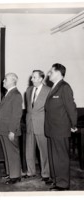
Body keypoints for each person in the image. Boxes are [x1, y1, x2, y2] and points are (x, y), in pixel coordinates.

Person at [45, 63, 77, 191]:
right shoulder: (54, 87)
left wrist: (73, 124)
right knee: (54, 156)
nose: (48, 74)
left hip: (60, 128)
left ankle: (63, 184)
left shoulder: (64, 87)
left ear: (58, 73)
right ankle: (56, 180)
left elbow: (71, 108)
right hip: (52, 128)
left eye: (51, 72)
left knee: (61, 157)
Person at [0, 73, 22, 184]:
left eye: (5, 79)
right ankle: (10, 173)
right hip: (3, 129)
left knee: (12, 153)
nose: (3, 81)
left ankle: (15, 176)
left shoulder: (16, 94)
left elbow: (16, 114)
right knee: (7, 153)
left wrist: (12, 130)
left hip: (9, 130)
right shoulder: (9, 93)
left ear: (13, 81)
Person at [25, 70, 50, 182]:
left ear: (41, 79)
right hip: (30, 124)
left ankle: (46, 174)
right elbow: (29, 109)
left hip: (42, 124)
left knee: (43, 151)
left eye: (34, 77)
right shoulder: (28, 90)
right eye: (32, 77)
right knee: (29, 150)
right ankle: (31, 172)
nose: (32, 79)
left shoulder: (48, 91)